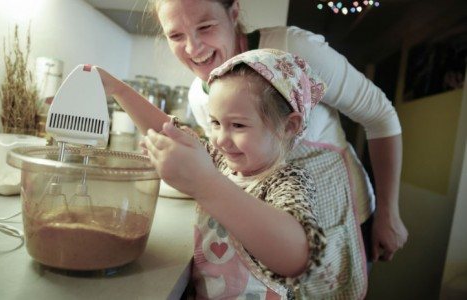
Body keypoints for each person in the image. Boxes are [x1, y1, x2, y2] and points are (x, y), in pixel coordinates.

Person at [149, 0, 408, 271]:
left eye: (205, 26)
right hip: (274, 236)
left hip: (344, 221)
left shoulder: (293, 49)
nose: (193, 48)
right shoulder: (198, 96)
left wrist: (388, 214)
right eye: (176, 35)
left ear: (233, 12)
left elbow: (380, 116)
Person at [97, 49, 327, 298]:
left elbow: (296, 257)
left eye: (238, 125)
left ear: (288, 126)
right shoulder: (221, 162)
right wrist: (117, 89)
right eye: (216, 123)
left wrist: (205, 183)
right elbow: (167, 131)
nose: (220, 140)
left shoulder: (287, 181)